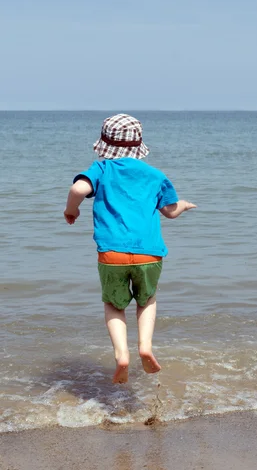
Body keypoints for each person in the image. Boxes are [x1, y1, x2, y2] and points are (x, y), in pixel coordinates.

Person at [64, 113, 196, 384]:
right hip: (149, 254)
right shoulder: (155, 175)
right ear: (139, 146)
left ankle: (121, 354)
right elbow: (170, 212)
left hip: (112, 254)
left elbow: (78, 188)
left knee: (114, 304)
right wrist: (183, 204)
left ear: (104, 144)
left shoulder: (101, 170)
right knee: (146, 300)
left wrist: (71, 210)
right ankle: (145, 347)